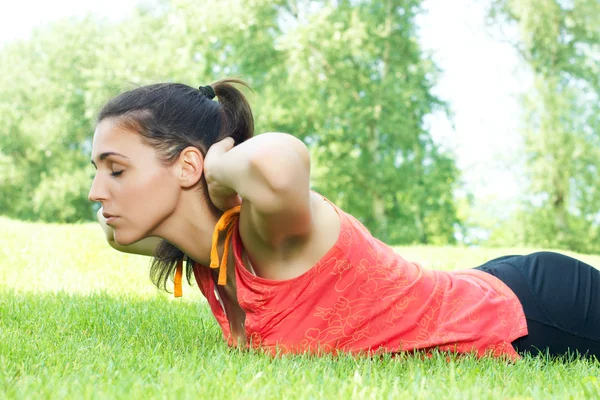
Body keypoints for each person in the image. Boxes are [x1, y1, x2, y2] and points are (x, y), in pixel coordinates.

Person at [89, 79, 600, 360]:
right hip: (478, 282)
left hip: (534, 312)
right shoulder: (202, 249)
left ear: (187, 165)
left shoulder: (271, 231)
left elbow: (282, 163)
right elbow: (114, 234)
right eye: (97, 171)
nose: (97, 192)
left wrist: (217, 167)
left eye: (116, 170)